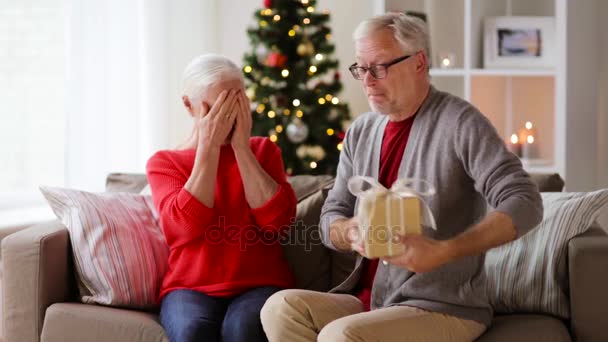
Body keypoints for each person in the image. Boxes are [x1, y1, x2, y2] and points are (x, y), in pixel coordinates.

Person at [260, 12, 543, 342]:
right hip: (369, 302)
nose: (367, 80)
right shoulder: (361, 131)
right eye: (360, 69)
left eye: (379, 67)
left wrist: (445, 251)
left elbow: (525, 201)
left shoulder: (461, 123)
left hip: (441, 306)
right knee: (279, 308)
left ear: (419, 62)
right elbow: (330, 216)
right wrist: (347, 232)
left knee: (340, 336)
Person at [146, 54, 296, 342]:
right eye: (219, 109)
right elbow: (183, 229)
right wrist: (209, 148)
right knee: (192, 331)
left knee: (241, 330)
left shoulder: (264, 151)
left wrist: (242, 149)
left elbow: (277, 223)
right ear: (189, 105)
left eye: (236, 106)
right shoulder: (165, 162)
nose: (228, 119)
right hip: (188, 288)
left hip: (261, 284)